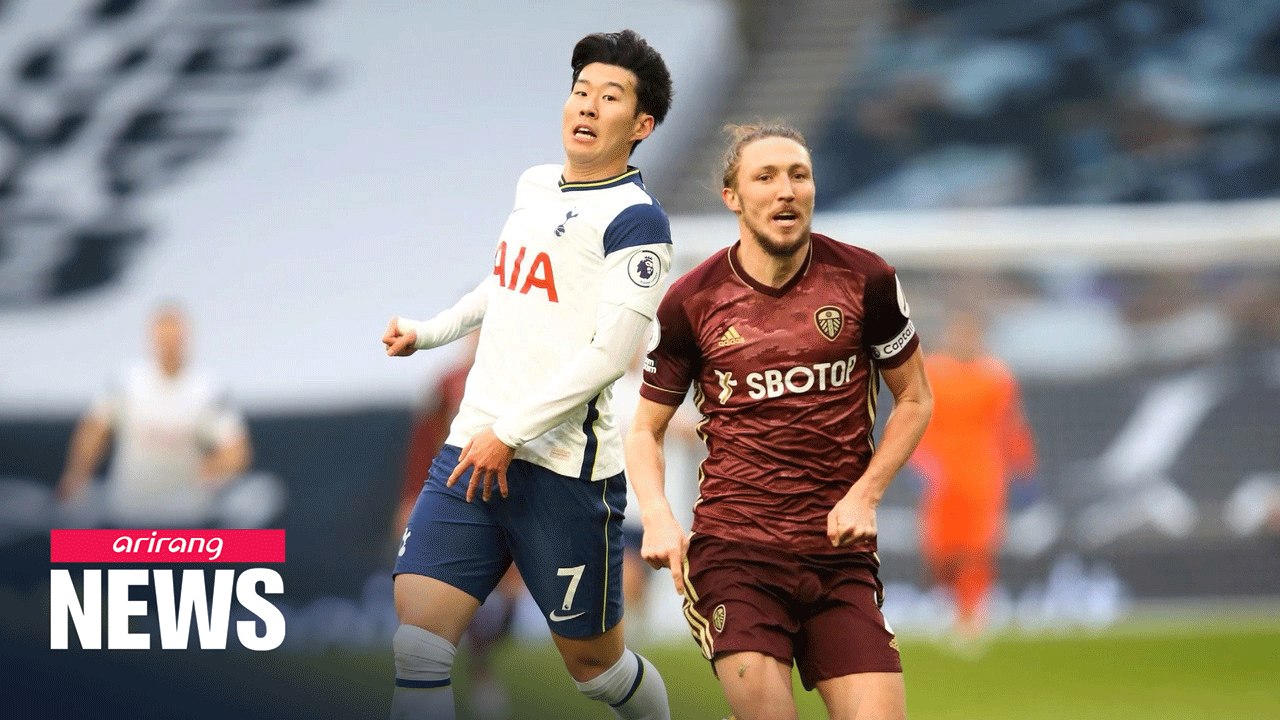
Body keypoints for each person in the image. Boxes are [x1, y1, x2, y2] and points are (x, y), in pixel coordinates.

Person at [380, 30, 675, 720]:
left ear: (641, 126)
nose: (588, 106)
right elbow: (505, 285)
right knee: (419, 647)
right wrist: (429, 332)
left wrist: (510, 434)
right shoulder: (535, 184)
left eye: (610, 97)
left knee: (597, 670)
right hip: (472, 450)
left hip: (563, 474)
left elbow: (608, 357)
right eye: (580, 91)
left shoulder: (638, 224)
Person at [625, 123, 933, 720]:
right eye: (765, 177)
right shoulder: (691, 300)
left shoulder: (865, 279)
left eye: (798, 175)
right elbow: (645, 430)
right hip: (736, 555)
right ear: (732, 197)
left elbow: (916, 398)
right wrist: (658, 516)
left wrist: (866, 493)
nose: (785, 190)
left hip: (838, 556)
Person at [394, 331, 524, 720]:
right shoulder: (446, 384)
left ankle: (479, 660)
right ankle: (467, 675)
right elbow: (424, 442)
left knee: (511, 598)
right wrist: (412, 497)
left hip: (509, 497)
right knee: (451, 594)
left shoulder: (519, 377)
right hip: (456, 496)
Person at [56, 303, 253, 527]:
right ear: (152, 338)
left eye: (175, 337)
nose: (169, 345)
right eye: (163, 337)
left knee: (257, 524)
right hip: (129, 509)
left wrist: (210, 469)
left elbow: (236, 452)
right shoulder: (128, 381)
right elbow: (95, 429)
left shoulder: (208, 388)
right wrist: (77, 473)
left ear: (186, 338)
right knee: (69, 536)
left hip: (186, 515)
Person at [911, 309, 1037, 643]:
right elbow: (915, 419)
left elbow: (1012, 425)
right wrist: (918, 461)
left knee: (977, 547)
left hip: (982, 471)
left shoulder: (997, 375)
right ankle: (947, 603)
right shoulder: (932, 370)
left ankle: (971, 613)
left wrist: (1023, 466)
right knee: (941, 549)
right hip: (941, 474)